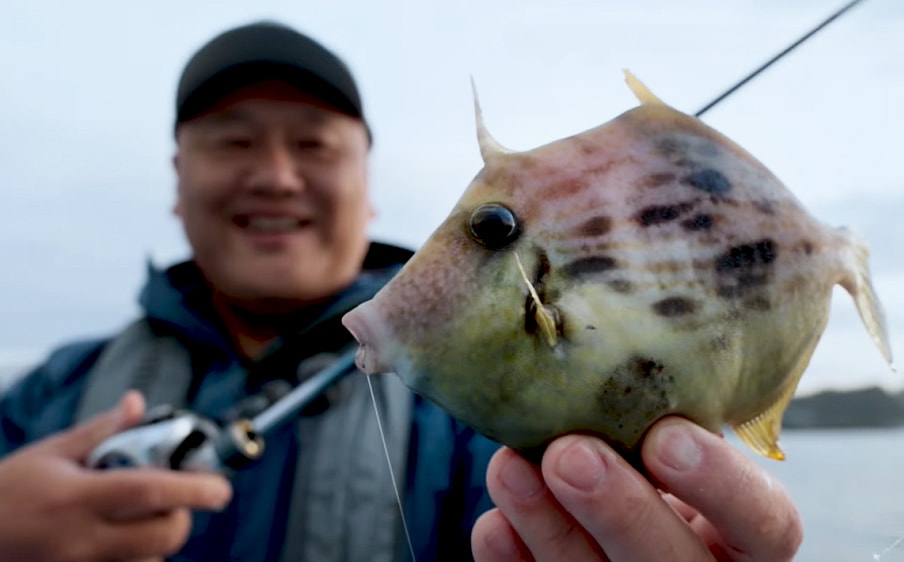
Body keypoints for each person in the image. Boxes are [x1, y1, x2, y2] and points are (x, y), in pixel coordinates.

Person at [0, 20, 803, 562]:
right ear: (177, 182)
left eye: (313, 145)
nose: (276, 176)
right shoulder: (45, 397)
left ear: (367, 187)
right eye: (233, 141)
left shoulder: (472, 423)